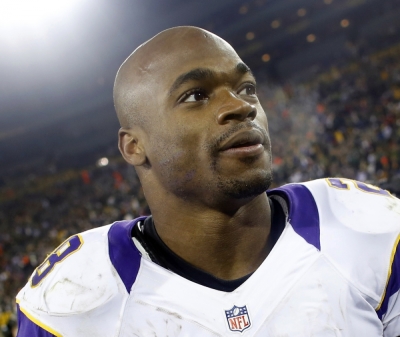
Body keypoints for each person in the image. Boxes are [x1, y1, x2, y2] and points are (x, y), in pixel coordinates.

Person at [15, 26, 400, 336]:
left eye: (246, 87)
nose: (241, 106)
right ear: (134, 146)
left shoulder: (365, 229)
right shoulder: (73, 301)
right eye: (196, 95)